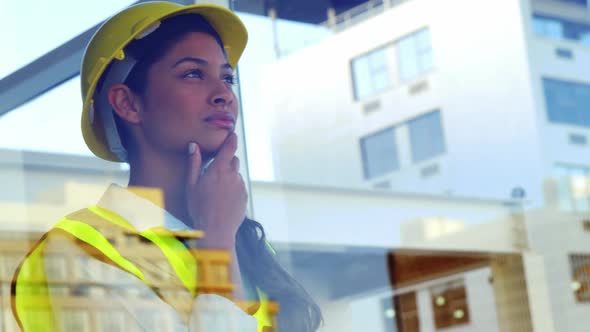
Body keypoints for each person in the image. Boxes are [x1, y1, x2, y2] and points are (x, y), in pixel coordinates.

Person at [11, 2, 322, 331]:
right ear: (128, 103)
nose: (223, 95)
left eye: (228, 78)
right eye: (192, 74)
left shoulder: (243, 241)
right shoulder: (80, 251)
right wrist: (216, 247)